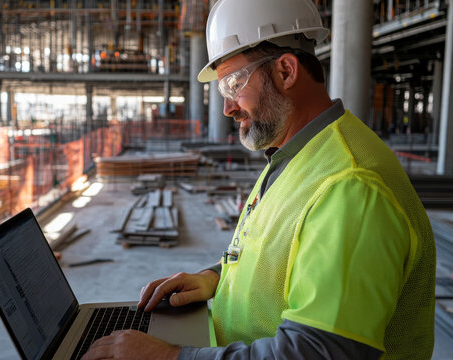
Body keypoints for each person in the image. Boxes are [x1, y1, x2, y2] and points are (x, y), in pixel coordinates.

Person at [82, 0, 436, 359]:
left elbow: (318, 352)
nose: (228, 108)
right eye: (224, 91)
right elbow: (273, 257)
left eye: (234, 84)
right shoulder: (296, 153)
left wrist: (168, 357)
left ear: (286, 71)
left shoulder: (350, 187)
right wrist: (215, 278)